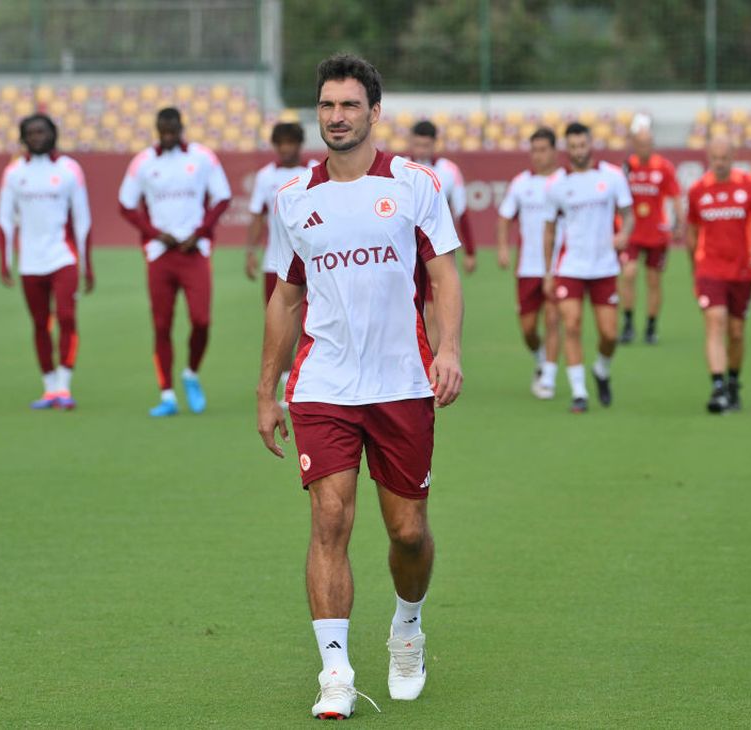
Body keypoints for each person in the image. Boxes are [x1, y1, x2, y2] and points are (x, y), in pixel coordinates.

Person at [256, 54, 463, 720]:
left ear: (375, 112)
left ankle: (407, 627)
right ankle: (336, 672)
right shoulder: (294, 200)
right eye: (326, 105)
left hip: (402, 381)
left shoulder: (414, 184)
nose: (336, 117)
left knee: (407, 533)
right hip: (324, 383)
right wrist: (267, 390)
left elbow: (445, 277)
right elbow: (285, 297)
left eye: (349, 105)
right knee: (330, 520)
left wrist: (450, 350)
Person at [118, 107, 232, 416]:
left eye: (172, 129)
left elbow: (222, 197)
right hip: (160, 254)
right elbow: (126, 205)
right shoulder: (143, 162)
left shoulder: (202, 157)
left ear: (181, 128)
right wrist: (156, 234)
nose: (168, 135)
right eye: (162, 130)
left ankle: (191, 373)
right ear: (156, 129)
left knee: (201, 320)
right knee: (161, 324)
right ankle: (167, 394)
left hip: (194, 251)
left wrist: (201, 232)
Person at [0, 113, 93, 410]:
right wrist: (5, 261)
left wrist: (86, 263)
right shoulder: (14, 173)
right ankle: (49, 387)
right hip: (30, 262)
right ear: (23, 138)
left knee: (66, 317)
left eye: (42, 132)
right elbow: (4, 219)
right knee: (40, 324)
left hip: (62, 257)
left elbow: (83, 218)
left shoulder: (68, 169)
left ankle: (65, 384)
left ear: (53, 134)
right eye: (31, 133)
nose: (37, 137)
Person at [542, 122, 634, 413]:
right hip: (570, 266)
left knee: (609, 334)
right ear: (566, 148)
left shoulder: (612, 176)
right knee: (572, 326)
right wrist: (547, 271)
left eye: (583, 145)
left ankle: (602, 370)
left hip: (605, 266)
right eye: (573, 146)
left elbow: (628, 215)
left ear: (591, 144)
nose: (579, 151)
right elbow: (548, 231)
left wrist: (623, 235)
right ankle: (579, 392)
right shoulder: (557, 184)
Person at [686, 135, 751, 413]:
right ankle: (718, 387)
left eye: (724, 158)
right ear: (708, 158)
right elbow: (691, 232)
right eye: (715, 158)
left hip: (742, 270)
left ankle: (733, 383)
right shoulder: (698, 190)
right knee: (716, 322)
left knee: (736, 332)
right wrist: (694, 270)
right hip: (710, 268)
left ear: (733, 156)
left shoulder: (750, 185)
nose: (719, 163)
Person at [245, 122, 316, 403]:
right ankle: (288, 380)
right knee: (280, 324)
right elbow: (257, 215)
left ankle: (308, 374)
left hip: (312, 262)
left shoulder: (314, 172)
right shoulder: (265, 177)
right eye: (280, 143)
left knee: (309, 321)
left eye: (290, 142)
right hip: (275, 262)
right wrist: (250, 250)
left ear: (299, 144)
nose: (285, 148)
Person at [496, 126, 566, 399]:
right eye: (534, 150)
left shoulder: (565, 181)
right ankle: (540, 360)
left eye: (543, 150)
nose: (538, 156)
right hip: (527, 267)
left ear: (554, 151)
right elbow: (504, 218)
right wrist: (502, 247)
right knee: (527, 329)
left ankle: (548, 377)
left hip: (558, 266)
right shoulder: (520, 183)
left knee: (552, 319)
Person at [408, 119, 476, 351]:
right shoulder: (401, 170)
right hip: (405, 251)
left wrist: (470, 252)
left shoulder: (449, 171)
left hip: (435, 249)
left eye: (426, 145)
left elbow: (462, 211)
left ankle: (430, 362)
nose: (421, 150)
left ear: (434, 144)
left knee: (434, 307)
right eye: (417, 144)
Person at [618, 117, 682, 345]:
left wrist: (679, 223)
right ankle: (627, 323)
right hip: (633, 232)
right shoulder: (627, 168)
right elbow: (616, 200)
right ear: (634, 144)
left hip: (656, 232)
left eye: (649, 143)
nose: (645, 147)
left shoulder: (663, 167)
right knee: (629, 274)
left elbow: (675, 196)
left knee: (654, 281)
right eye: (641, 143)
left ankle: (651, 326)